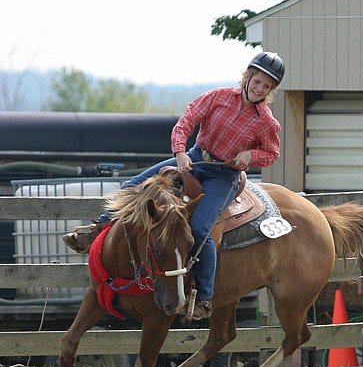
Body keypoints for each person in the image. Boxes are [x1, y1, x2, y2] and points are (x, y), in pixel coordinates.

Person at [64, 51, 285, 321]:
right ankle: (95, 230)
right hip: (194, 157)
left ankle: (204, 295)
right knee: (132, 185)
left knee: (202, 228)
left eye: (266, 86)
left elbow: (272, 153)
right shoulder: (218, 97)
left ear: (270, 90)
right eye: (257, 80)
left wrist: (252, 156)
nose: (259, 88)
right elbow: (188, 119)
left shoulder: (266, 122)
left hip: (223, 175)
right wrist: (180, 151)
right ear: (248, 76)